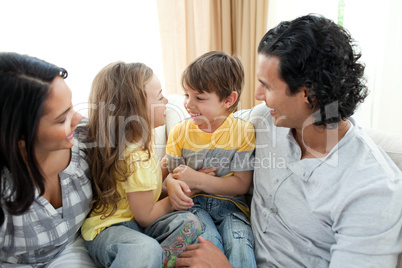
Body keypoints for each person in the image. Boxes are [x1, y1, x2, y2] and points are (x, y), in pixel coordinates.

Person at [175, 14, 402, 267]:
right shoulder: (265, 120)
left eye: (267, 86)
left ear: (308, 93)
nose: (257, 95)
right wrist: (170, 180)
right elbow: (207, 127)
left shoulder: (373, 190)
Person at [80, 61, 203, 268]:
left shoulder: (138, 146)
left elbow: (145, 193)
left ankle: (156, 262)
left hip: (134, 225)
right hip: (109, 230)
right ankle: (149, 258)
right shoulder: (135, 156)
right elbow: (146, 216)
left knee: (188, 223)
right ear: (135, 109)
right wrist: (177, 197)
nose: (166, 100)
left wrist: (171, 182)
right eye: (159, 96)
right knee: (144, 249)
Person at [0, 52, 96, 267]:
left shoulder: (88, 140)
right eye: (63, 118)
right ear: (19, 137)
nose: (78, 119)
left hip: (84, 248)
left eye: (72, 107)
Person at [165, 51, 256, 268]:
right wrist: (172, 183)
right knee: (207, 243)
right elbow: (173, 176)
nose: (188, 104)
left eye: (199, 97)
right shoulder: (179, 132)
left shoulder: (244, 131)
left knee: (241, 243)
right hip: (192, 207)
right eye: (187, 95)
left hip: (231, 207)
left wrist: (197, 179)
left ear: (228, 100)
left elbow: (242, 184)